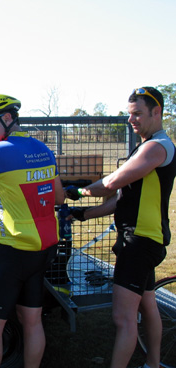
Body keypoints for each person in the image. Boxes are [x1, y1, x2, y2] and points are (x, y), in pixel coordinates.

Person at [66, 87, 175, 368]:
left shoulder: (156, 147)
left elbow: (112, 184)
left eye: (137, 113)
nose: (131, 120)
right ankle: (152, 364)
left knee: (123, 318)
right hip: (145, 240)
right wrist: (81, 214)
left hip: (138, 243)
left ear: (157, 112)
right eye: (129, 114)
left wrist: (76, 192)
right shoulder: (148, 145)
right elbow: (120, 200)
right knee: (148, 306)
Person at [0, 94, 65, 368]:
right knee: (32, 320)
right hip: (44, 249)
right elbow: (59, 198)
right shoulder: (43, 148)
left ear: (8, 118)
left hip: (14, 252)